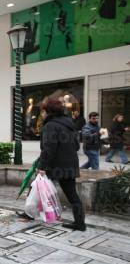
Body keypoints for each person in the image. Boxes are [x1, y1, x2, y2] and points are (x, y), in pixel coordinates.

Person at [37, 98, 86, 231]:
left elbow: (48, 149)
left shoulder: (50, 125)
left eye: (43, 111)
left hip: (57, 166)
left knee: (39, 187)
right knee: (72, 195)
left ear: (48, 111)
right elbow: (76, 146)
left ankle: (32, 212)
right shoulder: (69, 123)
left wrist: (42, 167)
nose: (42, 114)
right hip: (70, 164)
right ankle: (80, 222)